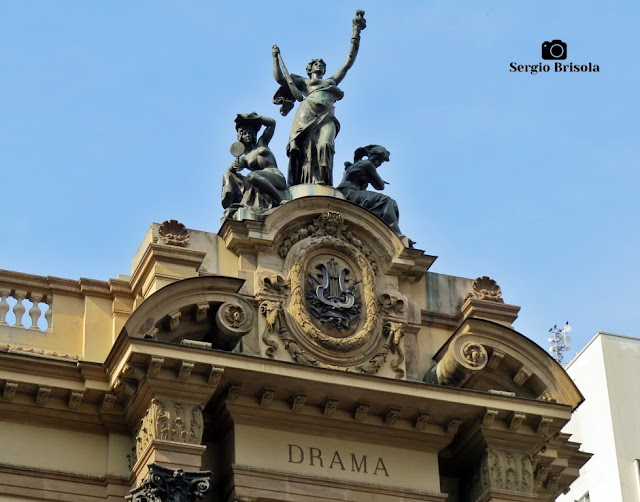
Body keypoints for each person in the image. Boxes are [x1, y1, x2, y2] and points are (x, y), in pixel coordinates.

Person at [272, 10, 366, 186]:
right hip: (306, 114)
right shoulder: (303, 82)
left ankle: (323, 180)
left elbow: (348, 63)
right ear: (309, 69)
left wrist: (356, 32)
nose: (320, 65)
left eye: (322, 64)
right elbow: (279, 78)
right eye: (316, 63)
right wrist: (275, 59)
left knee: (325, 145)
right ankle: (305, 181)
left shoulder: (331, 81)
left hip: (327, 117)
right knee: (304, 149)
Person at [221, 113, 287, 219]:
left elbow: (272, 124)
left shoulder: (262, 143)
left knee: (252, 176)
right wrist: (233, 166)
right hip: (258, 178)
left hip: (276, 177)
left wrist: (256, 118)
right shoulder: (244, 158)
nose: (248, 135)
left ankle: (280, 200)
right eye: (245, 133)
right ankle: (230, 199)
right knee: (229, 174)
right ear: (240, 137)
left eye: (250, 133)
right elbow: (232, 169)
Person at [336, 145, 404, 238]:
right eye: (380, 161)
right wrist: (374, 178)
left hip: (346, 192)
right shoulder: (368, 164)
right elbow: (380, 186)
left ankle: (387, 231)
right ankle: (395, 235)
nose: (379, 164)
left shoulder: (359, 163)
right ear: (376, 158)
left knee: (389, 203)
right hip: (350, 194)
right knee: (387, 201)